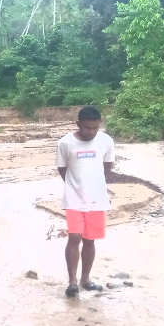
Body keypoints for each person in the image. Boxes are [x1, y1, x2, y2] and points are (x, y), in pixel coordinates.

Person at [55, 105, 115, 299]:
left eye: (95, 128)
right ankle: (72, 282)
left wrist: (93, 185)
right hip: (73, 198)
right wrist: (76, 185)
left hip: (97, 199)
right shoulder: (65, 143)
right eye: (87, 127)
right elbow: (62, 169)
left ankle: (85, 280)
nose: (91, 132)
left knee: (90, 240)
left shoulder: (106, 141)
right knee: (75, 237)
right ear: (78, 124)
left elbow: (107, 167)